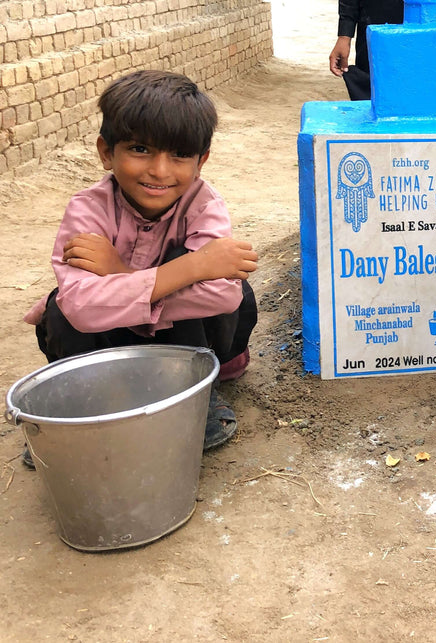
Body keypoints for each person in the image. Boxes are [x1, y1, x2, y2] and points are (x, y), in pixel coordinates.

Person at [23, 70, 259, 467]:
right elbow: (80, 306)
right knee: (58, 310)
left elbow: (223, 293)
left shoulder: (203, 205)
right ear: (105, 152)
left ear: (201, 161)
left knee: (234, 291)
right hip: (111, 346)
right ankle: (85, 409)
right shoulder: (89, 210)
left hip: (187, 344)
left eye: (180, 155)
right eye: (139, 149)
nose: (160, 171)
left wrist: (119, 273)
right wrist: (193, 267)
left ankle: (196, 390)